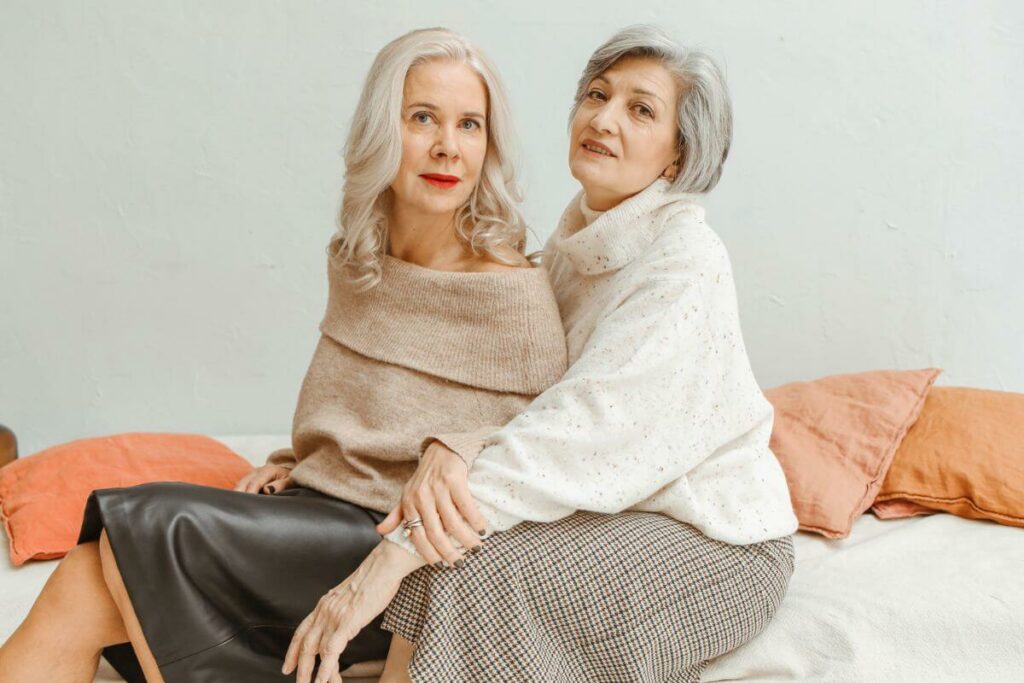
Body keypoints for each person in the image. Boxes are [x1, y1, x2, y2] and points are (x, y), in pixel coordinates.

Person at [0, 27, 567, 683]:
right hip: (312, 513)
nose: (448, 145)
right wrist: (297, 459)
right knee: (85, 576)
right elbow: (354, 409)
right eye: (423, 118)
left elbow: (548, 449)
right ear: (384, 130)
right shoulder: (359, 264)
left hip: (389, 555)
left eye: (470, 124)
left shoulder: (514, 294)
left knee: (152, 523)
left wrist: (460, 447)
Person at [374, 24, 800, 682]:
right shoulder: (576, 250)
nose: (604, 118)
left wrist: (397, 548)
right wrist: (450, 446)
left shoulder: (685, 261)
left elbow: (586, 426)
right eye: (597, 95)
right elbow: (526, 401)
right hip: (621, 511)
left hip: (717, 539)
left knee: (481, 563)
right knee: (459, 543)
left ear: (676, 158)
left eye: (640, 109)